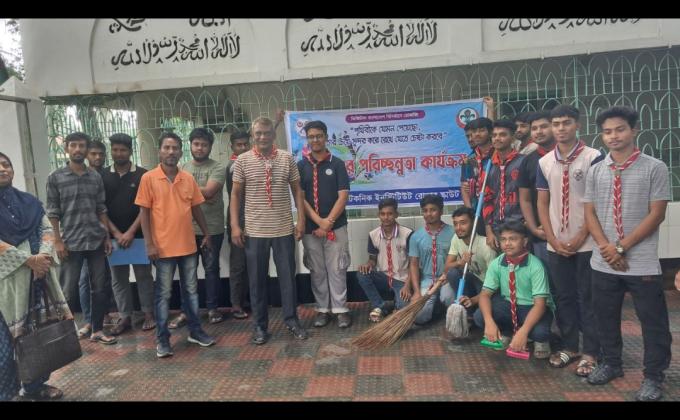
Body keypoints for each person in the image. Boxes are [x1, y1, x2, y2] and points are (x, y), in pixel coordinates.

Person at [583, 106, 672, 401]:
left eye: (620, 129)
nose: (613, 136)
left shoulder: (655, 168)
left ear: (634, 130)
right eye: (607, 132)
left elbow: (656, 214)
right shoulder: (596, 170)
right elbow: (590, 213)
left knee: (653, 322)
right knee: (604, 317)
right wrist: (607, 248)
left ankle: (653, 376)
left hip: (641, 261)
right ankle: (612, 363)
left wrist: (621, 247)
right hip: (603, 261)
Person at [535, 105, 603, 376]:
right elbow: (542, 202)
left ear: (578, 125)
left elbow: (596, 202)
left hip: (587, 242)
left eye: (566, 123)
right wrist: (552, 238)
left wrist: (581, 235)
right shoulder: (544, 162)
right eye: (556, 123)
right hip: (557, 244)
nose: (561, 128)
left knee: (588, 297)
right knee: (563, 296)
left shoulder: (593, 157)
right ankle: (570, 346)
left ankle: (592, 351)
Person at [135, 132, 216, 358]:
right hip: (162, 249)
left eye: (175, 148)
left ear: (181, 152)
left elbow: (196, 208)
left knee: (191, 291)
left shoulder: (187, 178)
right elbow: (144, 213)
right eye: (167, 148)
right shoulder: (148, 178)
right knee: (163, 294)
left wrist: (206, 233)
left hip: (188, 246)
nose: (171, 152)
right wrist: (149, 244)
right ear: (159, 151)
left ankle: (195, 332)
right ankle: (162, 339)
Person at [231, 117, 308, 345]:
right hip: (254, 232)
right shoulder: (243, 161)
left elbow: (298, 191)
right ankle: (259, 326)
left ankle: (292, 321)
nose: (262, 137)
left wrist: (301, 221)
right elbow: (235, 194)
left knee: (288, 279)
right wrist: (235, 226)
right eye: (258, 133)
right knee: (257, 282)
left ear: (273, 135)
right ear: (253, 135)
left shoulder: (286, 158)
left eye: (266, 133)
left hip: (283, 230)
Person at [0, 152, 69, 400]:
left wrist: (43, 257)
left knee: (39, 336)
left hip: (37, 279)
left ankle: (35, 386)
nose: (2, 169)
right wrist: (28, 260)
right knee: (5, 345)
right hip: (7, 286)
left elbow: (46, 228)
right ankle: (6, 393)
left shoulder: (28, 201)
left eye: (6, 164)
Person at [47, 132, 117, 345]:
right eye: (73, 145)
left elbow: (101, 208)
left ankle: (97, 330)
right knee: (67, 291)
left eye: (82, 146)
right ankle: (64, 336)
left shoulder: (95, 177)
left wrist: (106, 237)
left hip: (95, 241)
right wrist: (57, 241)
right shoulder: (56, 177)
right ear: (66, 148)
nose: (78, 149)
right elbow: (53, 211)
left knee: (99, 288)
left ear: (86, 150)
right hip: (70, 242)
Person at [298, 120, 352, 328]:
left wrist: (328, 223)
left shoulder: (337, 164)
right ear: (307, 139)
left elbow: (343, 196)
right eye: (311, 136)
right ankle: (322, 309)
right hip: (311, 229)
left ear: (326, 137)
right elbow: (300, 198)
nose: (315, 140)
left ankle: (340, 310)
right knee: (317, 270)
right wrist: (318, 221)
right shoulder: (301, 166)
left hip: (336, 227)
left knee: (337, 268)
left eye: (319, 136)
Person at [474, 221, 554, 359]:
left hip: (532, 307)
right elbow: (484, 295)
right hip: (509, 305)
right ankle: (507, 332)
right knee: (480, 316)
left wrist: (524, 331)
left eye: (513, 239)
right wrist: (489, 322)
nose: (507, 243)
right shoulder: (497, 263)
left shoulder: (536, 266)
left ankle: (537, 339)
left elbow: (540, 305)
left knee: (540, 332)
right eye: (503, 239)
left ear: (525, 241)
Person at [102, 133, 156, 334]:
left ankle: (148, 313)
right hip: (113, 239)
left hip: (140, 236)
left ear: (130, 151)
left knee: (144, 276)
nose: (119, 153)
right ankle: (125, 316)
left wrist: (131, 232)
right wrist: (116, 233)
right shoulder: (102, 176)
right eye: (115, 150)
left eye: (123, 150)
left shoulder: (143, 175)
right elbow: (101, 209)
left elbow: (146, 207)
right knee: (118, 279)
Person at [173, 128, 227, 326]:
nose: (200, 148)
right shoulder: (182, 167)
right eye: (196, 144)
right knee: (187, 271)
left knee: (211, 269)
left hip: (212, 228)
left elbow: (210, 192)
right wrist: (199, 192)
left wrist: (184, 189)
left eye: (204, 145)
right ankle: (187, 311)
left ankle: (213, 309)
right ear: (190, 145)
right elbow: (175, 193)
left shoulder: (218, 167)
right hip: (186, 229)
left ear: (210, 147)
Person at [77, 140, 116, 338]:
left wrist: (109, 234)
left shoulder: (107, 176)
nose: (97, 157)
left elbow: (105, 208)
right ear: (86, 154)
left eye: (101, 154)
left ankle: (104, 315)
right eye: (93, 154)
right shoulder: (80, 176)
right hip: (84, 237)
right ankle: (88, 320)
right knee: (85, 279)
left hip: (106, 235)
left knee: (105, 278)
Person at [357, 198, 413, 322]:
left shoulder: (407, 234)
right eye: (383, 214)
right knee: (361, 273)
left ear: (396, 214)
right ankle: (380, 306)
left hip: (401, 279)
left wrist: (408, 286)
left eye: (390, 214)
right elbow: (372, 259)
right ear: (379, 215)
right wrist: (367, 264)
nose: (386, 217)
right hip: (383, 277)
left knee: (403, 308)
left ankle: (396, 306)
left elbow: (413, 264)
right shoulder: (373, 234)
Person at [408, 195, 456, 325]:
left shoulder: (453, 233)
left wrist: (450, 275)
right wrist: (416, 292)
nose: (429, 214)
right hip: (428, 279)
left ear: (441, 211)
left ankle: (442, 304)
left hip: (447, 278)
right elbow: (413, 264)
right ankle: (437, 308)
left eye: (433, 210)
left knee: (449, 298)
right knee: (419, 317)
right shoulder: (416, 236)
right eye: (425, 210)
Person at [518, 111, 555, 265]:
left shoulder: (567, 156)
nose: (539, 132)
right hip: (541, 234)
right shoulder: (528, 161)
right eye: (534, 128)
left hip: (571, 232)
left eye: (544, 127)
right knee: (546, 275)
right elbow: (525, 199)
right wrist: (533, 229)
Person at [444, 206, 497, 315]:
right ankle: (468, 311)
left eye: (463, 223)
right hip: (473, 280)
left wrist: (474, 300)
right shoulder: (456, 239)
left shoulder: (486, 246)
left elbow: (494, 284)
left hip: (487, 286)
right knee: (452, 273)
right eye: (455, 224)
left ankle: (475, 308)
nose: (458, 228)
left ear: (473, 223)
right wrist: (460, 262)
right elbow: (447, 268)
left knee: (480, 316)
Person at [483, 120, 526, 252]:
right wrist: (489, 230)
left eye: (502, 135)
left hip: (520, 225)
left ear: (512, 138)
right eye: (494, 135)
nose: (497, 138)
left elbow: (532, 196)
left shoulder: (523, 161)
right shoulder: (489, 166)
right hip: (498, 228)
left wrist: (529, 223)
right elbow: (487, 199)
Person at [225, 131, 251, 320]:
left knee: (253, 263)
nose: (242, 148)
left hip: (253, 219)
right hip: (238, 220)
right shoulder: (234, 166)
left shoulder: (250, 161)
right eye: (238, 145)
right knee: (238, 264)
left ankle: (249, 301)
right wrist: (237, 225)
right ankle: (236, 304)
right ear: (232, 147)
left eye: (245, 144)